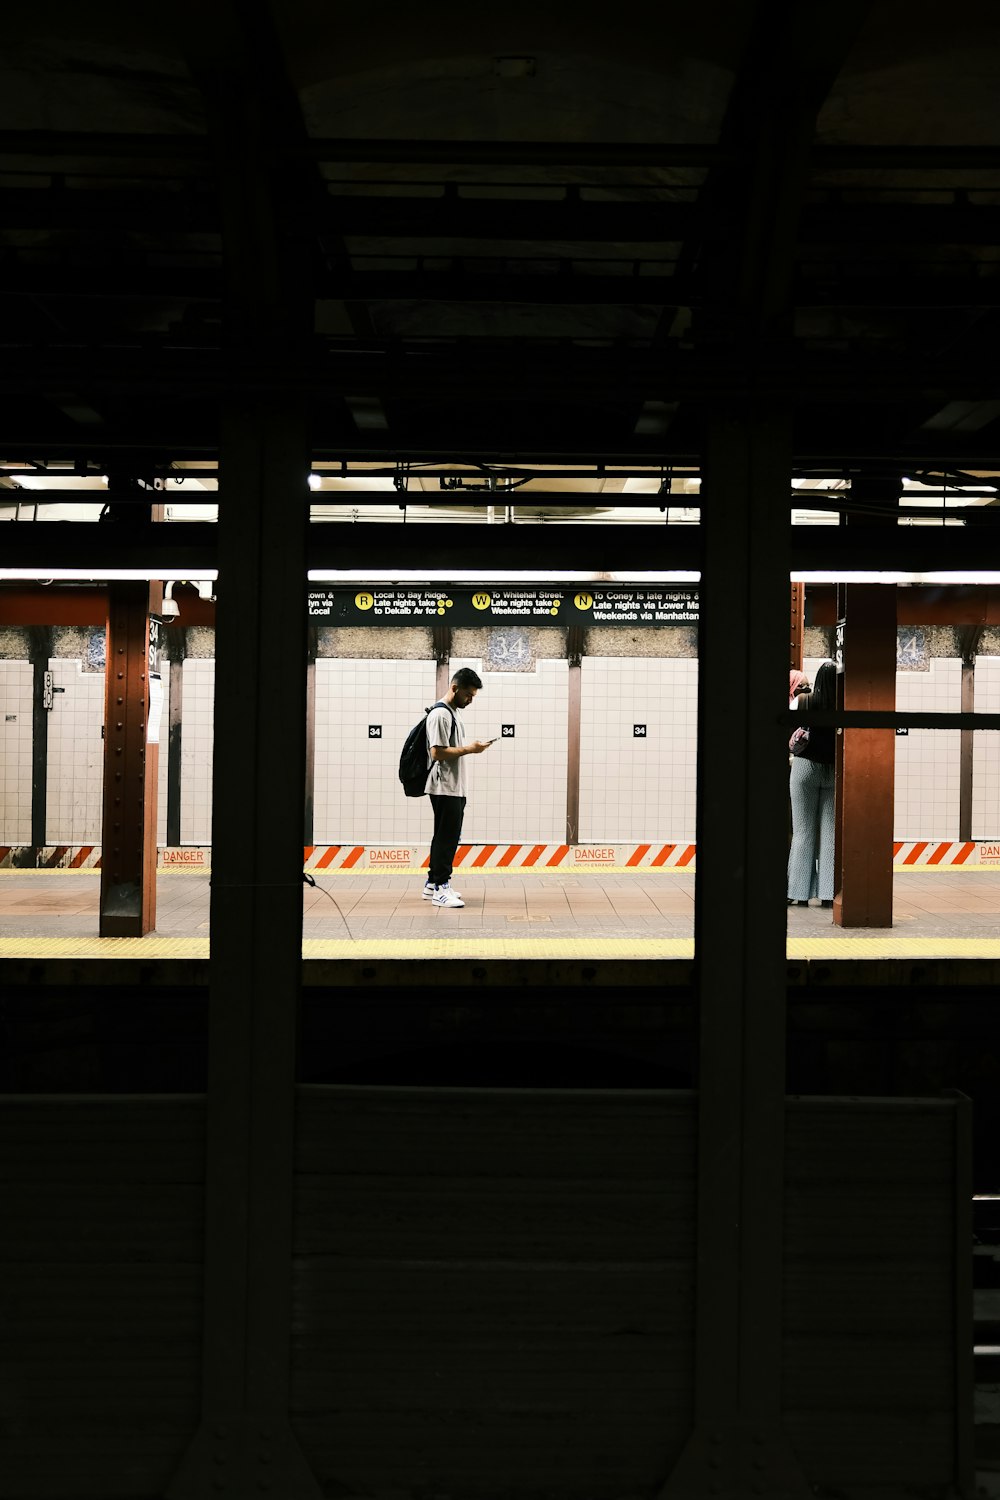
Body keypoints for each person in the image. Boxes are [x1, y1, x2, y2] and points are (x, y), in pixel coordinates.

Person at [423, 667, 492, 908]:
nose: (471, 700)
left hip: (452, 786)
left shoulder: (452, 713)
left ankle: (433, 883)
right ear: (454, 688)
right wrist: (471, 749)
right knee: (447, 838)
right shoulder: (440, 715)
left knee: (444, 836)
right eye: (468, 695)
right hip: (445, 787)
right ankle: (441, 889)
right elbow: (437, 752)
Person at [787, 659, 836, 908]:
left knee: (803, 832)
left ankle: (798, 892)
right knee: (829, 833)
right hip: (834, 770)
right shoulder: (844, 705)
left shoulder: (803, 701)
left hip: (805, 767)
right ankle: (828, 893)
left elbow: (789, 732)